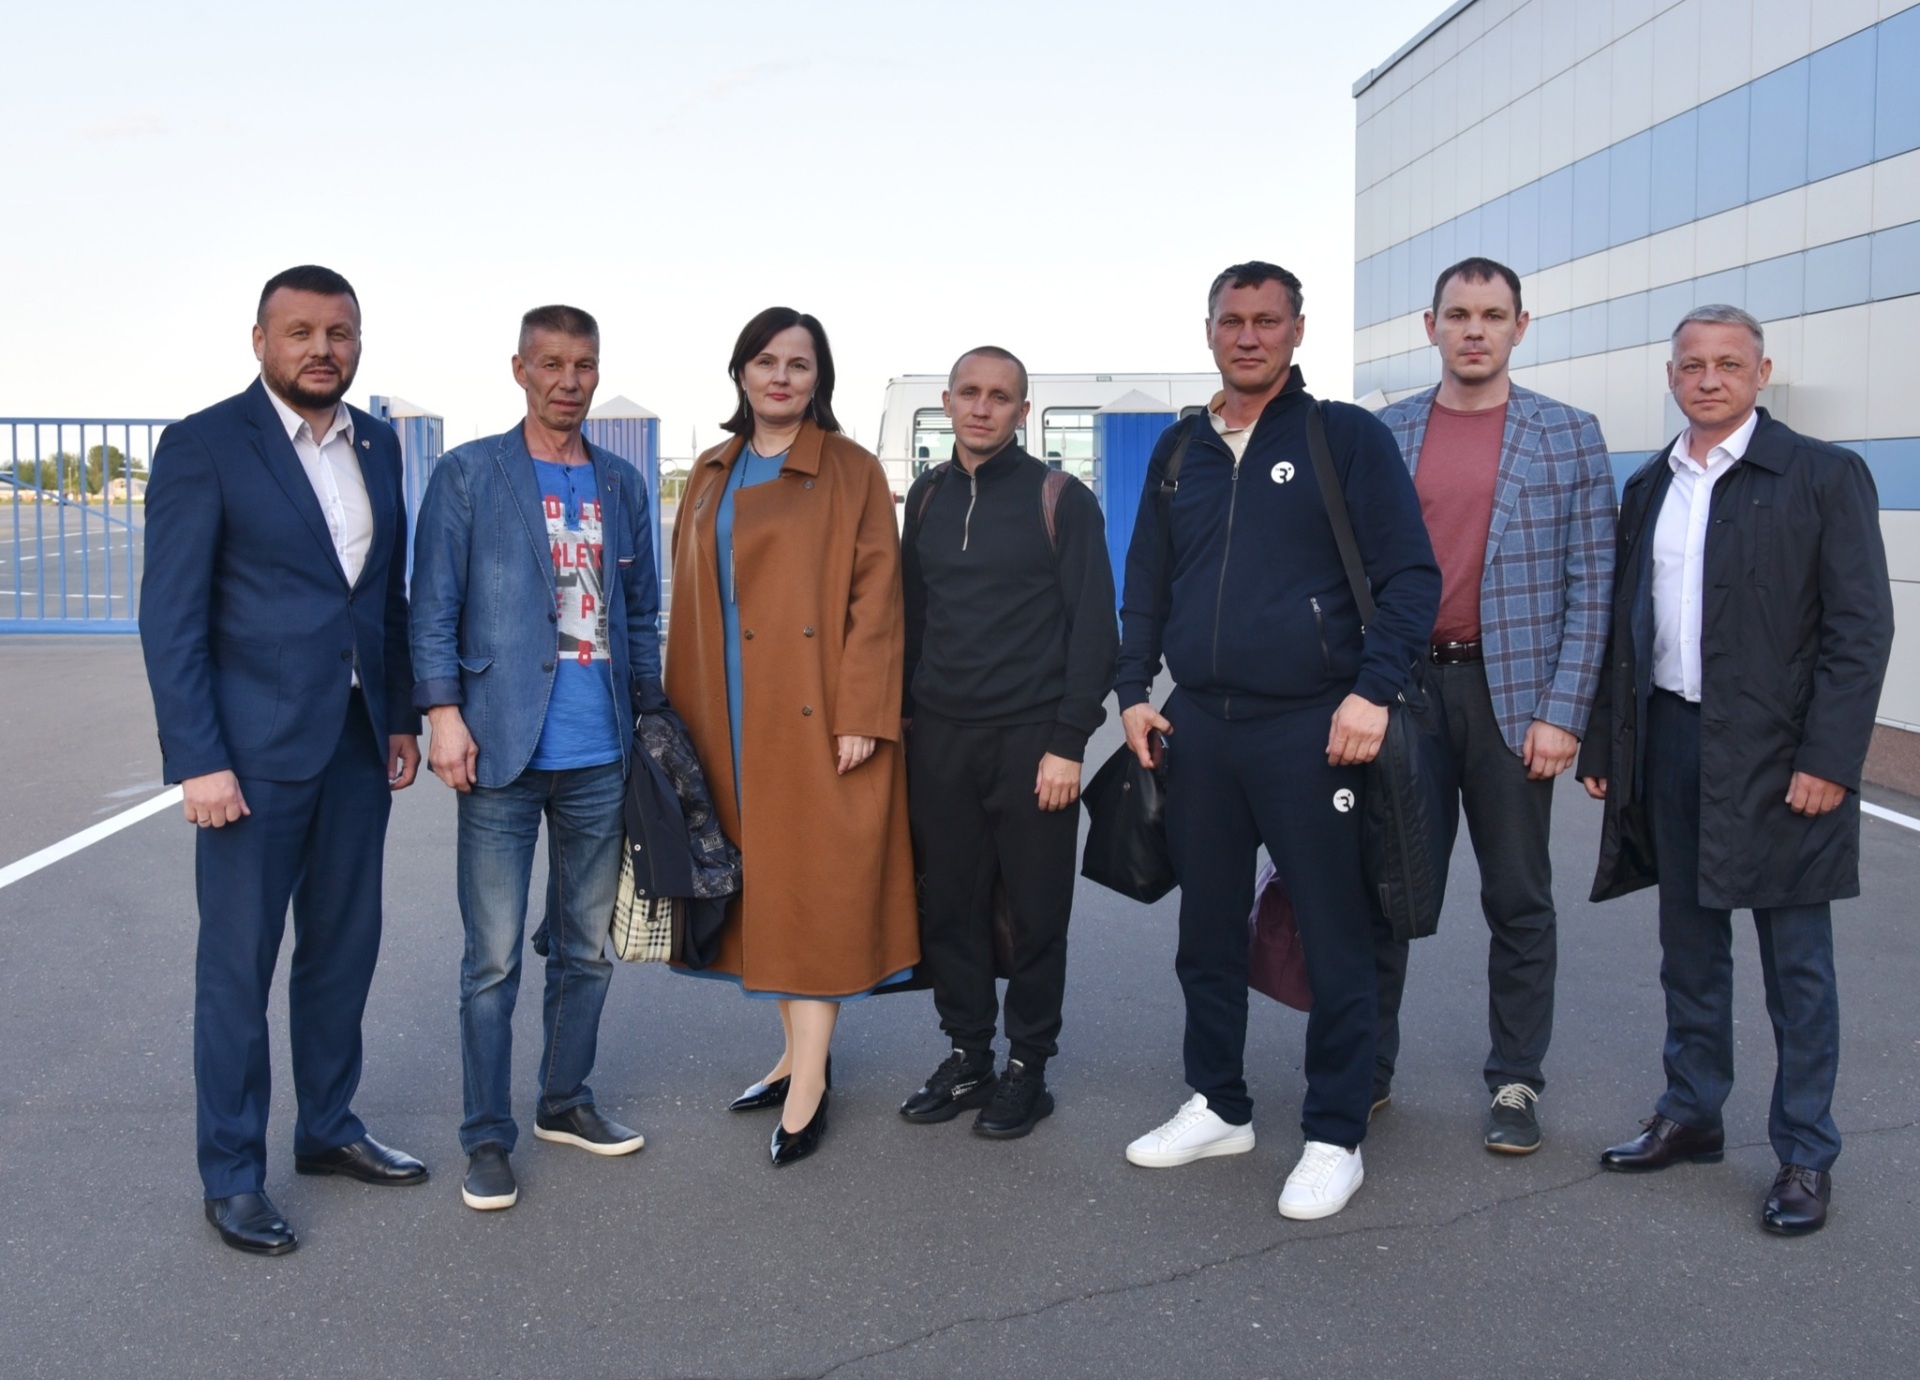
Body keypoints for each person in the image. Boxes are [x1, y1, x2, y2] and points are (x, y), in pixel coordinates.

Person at [1113, 262, 1440, 1219]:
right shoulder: (1180, 450)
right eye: (1232, 321)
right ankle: (1219, 1104)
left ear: (1297, 330)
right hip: (1201, 727)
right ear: (1209, 330)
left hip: (1315, 727)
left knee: (1335, 937)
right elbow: (1146, 583)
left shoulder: (1343, 437)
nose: (1248, 336)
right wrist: (1132, 692)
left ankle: (1335, 1134)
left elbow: (1411, 578)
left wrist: (1370, 693)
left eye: (1267, 320)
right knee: (1206, 932)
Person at [1580, 305, 1893, 1236]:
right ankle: (1692, 1112)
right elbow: (1625, 629)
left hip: (1783, 756)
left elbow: (1859, 630)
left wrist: (1830, 759)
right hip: (1672, 741)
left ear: (1761, 372)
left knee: (1796, 968)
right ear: (1670, 376)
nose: (1708, 379)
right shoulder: (1650, 484)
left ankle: (1805, 1152)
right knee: (1689, 950)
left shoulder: (1823, 475)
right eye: (1692, 365)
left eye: (1728, 364)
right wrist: (1607, 745)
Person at [139, 264, 426, 1257]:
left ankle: (328, 1128)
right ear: (260, 341)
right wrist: (198, 761)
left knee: (343, 950)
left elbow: (381, 595)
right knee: (238, 969)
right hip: (249, 760)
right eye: (299, 332)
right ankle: (231, 1175)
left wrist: (398, 717)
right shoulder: (206, 444)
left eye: (338, 332)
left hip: (354, 745)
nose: (321, 349)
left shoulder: (378, 446)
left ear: (358, 342)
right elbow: (171, 617)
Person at [410, 305, 662, 1212]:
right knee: (492, 961)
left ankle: (564, 1100)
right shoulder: (470, 473)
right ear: (519, 369)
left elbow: (642, 614)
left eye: (583, 364)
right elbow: (432, 603)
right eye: (551, 363)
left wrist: (651, 724)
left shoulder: (622, 484)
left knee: (586, 949)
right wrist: (442, 714)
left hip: (601, 753)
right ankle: (487, 1137)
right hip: (500, 752)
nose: (568, 380)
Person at [1371, 257, 1616, 1154]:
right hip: (1405, 692)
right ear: (1429, 326)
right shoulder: (1385, 432)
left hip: (1512, 697)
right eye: (1458, 314)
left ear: (1520, 326)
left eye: (1492, 314)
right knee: (1386, 888)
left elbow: (1594, 585)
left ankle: (1515, 1078)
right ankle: (1367, 1068)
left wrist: (1564, 710)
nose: (1474, 329)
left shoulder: (1567, 435)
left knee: (1518, 897)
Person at [665, 306, 917, 1167]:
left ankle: (810, 1082)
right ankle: (792, 1057)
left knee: (813, 894)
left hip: (813, 711)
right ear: (741, 372)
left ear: (819, 379)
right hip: (727, 712)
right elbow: (688, 600)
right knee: (764, 892)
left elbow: (878, 602)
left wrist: (862, 714)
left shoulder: (850, 469)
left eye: (799, 364)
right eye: (766, 361)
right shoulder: (710, 470)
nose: (781, 377)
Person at [897, 346, 1118, 1139]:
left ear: (1023, 412)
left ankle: (1028, 1066)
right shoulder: (925, 497)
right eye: (969, 393)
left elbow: (1095, 631)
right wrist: (904, 722)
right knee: (950, 908)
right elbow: (912, 619)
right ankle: (968, 1055)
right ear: (947, 402)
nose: (982, 407)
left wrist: (1069, 742)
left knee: (1034, 914)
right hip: (940, 740)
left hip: (1033, 743)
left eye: (1000, 396)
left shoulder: (1061, 499)